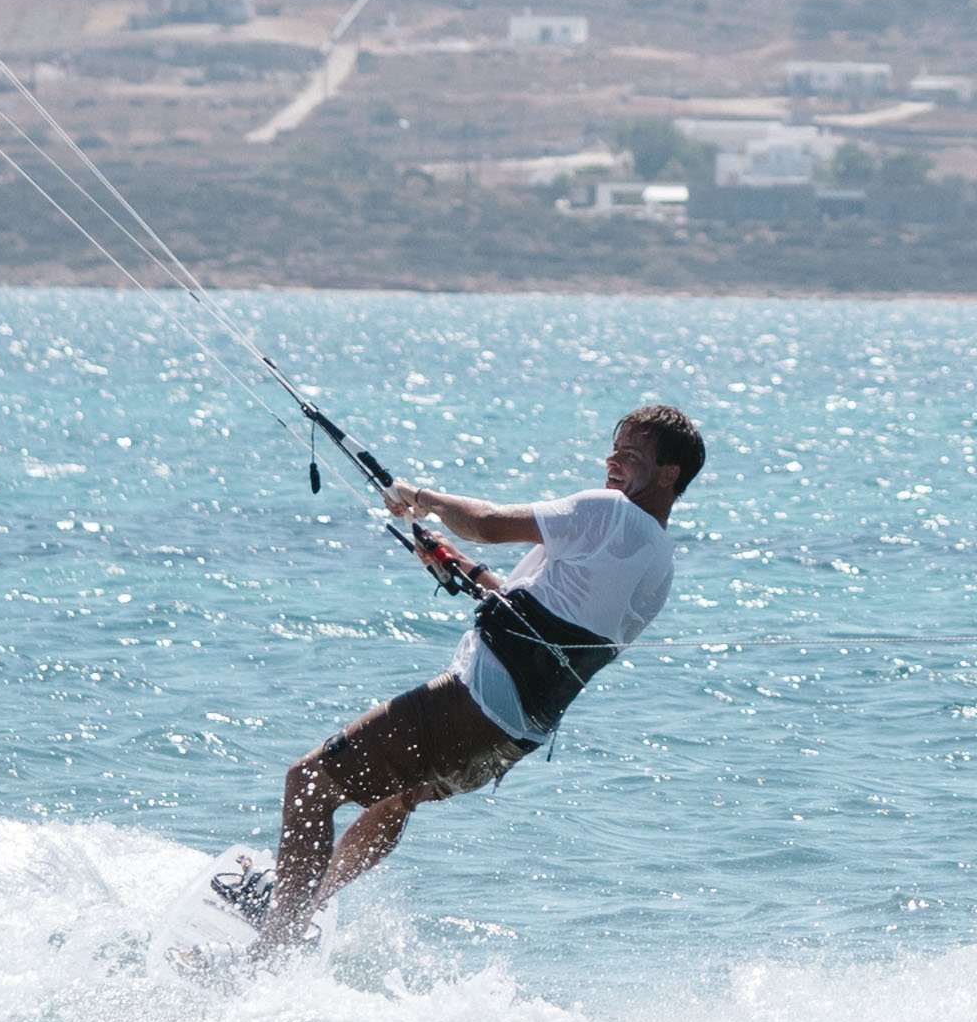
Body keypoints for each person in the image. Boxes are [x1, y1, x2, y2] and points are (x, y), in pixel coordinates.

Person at [246, 402, 705, 949]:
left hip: (473, 704)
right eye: (613, 448)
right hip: (514, 736)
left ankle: (272, 950)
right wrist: (453, 563)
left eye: (630, 454)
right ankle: (308, 907)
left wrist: (426, 500)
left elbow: (487, 523)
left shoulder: (609, 513)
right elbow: (534, 618)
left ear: (670, 473)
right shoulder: (658, 563)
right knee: (395, 800)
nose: (611, 461)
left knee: (308, 782)